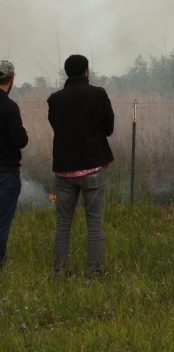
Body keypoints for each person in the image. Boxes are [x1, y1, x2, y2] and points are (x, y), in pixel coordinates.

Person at [48, 55, 114, 277]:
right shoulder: (98, 95)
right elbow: (109, 128)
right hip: (93, 167)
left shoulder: (54, 99)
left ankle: (59, 271)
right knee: (94, 223)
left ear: (67, 73)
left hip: (64, 170)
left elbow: (56, 126)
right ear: (86, 72)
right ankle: (94, 272)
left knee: (63, 224)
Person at [0, 61, 28, 269]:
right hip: (6, 173)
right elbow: (20, 141)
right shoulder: (10, 107)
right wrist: (23, 131)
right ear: (12, 79)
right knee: (2, 222)